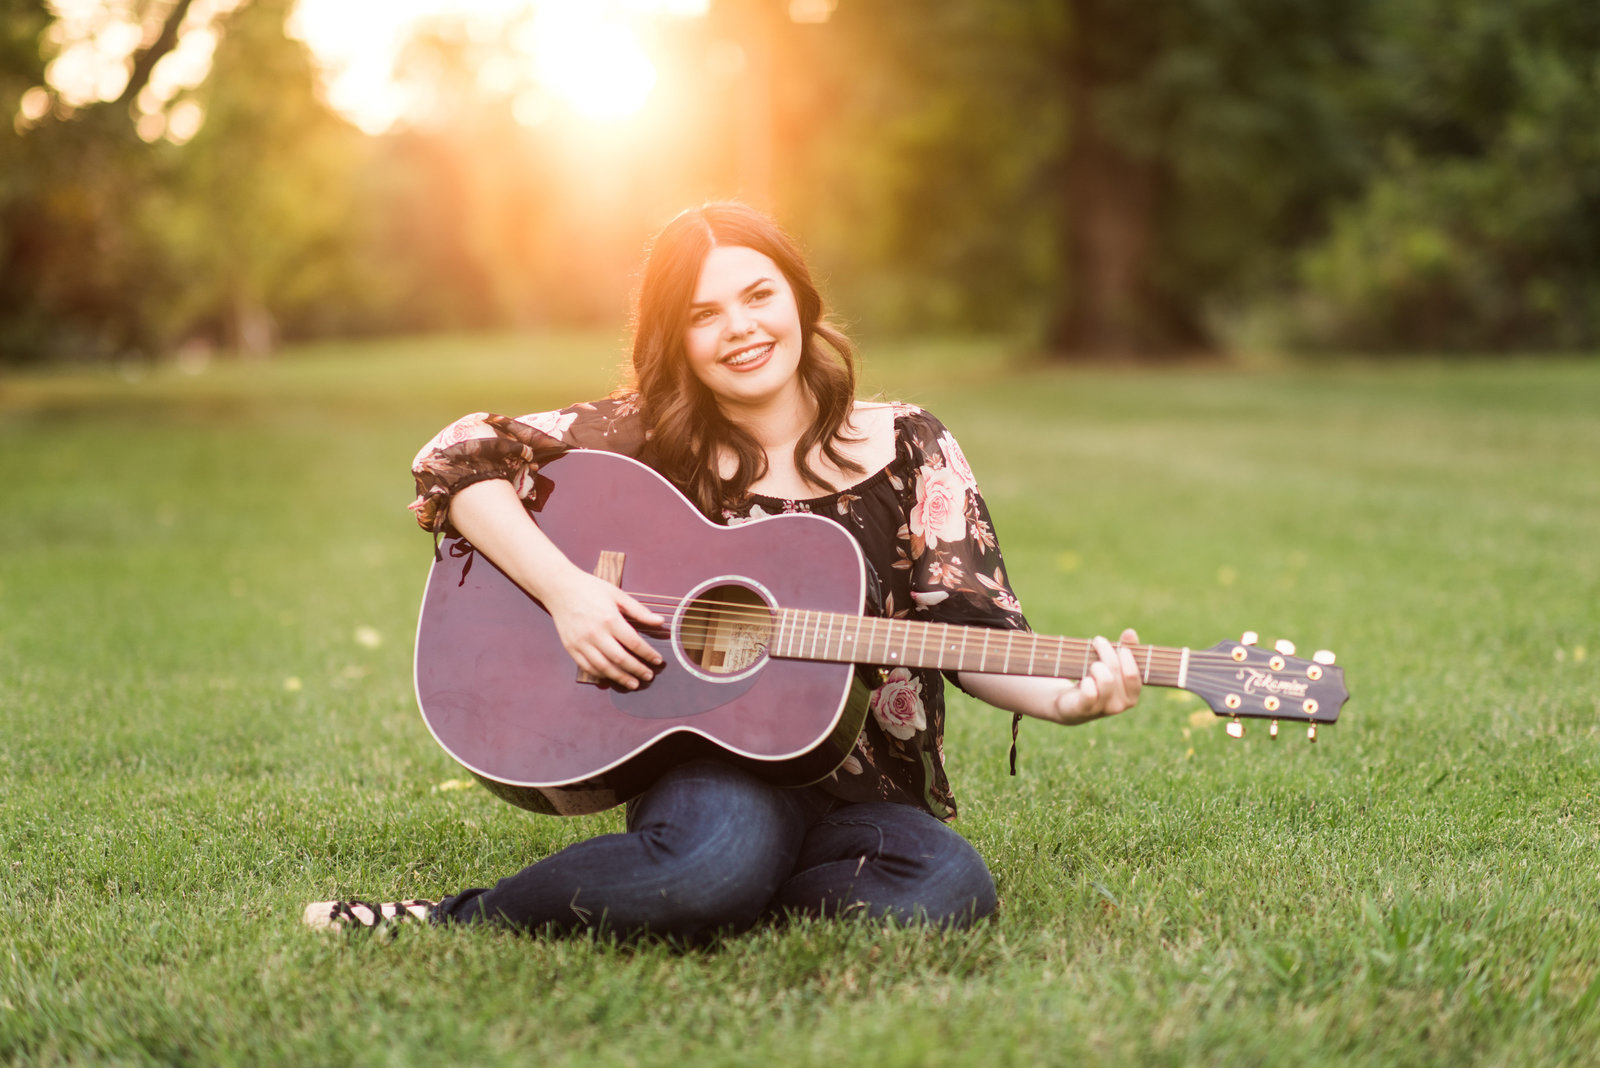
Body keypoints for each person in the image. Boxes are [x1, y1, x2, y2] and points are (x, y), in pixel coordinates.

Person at [304, 202, 1143, 940]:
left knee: (947, 889)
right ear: (678, 340)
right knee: (711, 860)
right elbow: (454, 457)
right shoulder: (647, 438)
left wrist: (1069, 700)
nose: (739, 328)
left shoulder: (910, 444)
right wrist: (568, 594)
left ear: (799, 301)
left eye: (758, 295)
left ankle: (715, 895)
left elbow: (972, 631)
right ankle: (461, 919)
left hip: (870, 791)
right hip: (712, 763)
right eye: (704, 314)